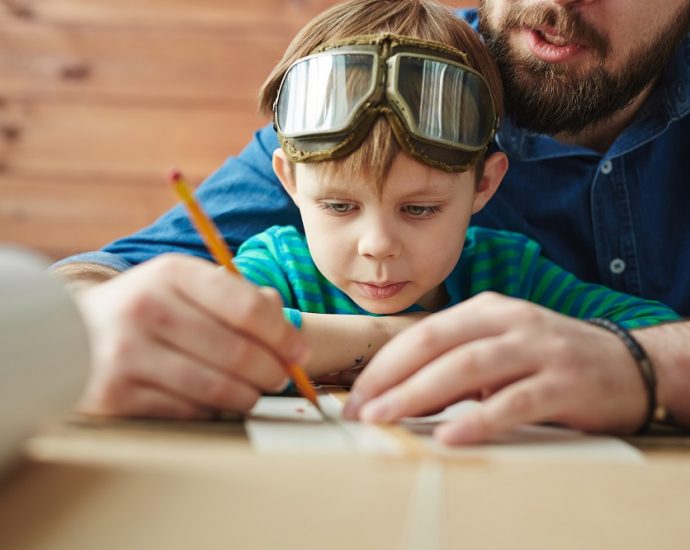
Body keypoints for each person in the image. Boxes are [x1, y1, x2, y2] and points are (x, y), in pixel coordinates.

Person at [53, 0, 690, 441]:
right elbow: (105, 281)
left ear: (484, 184)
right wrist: (87, 327)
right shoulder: (354, 79)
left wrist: (643, 362)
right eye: (338, 207)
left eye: (420, 209)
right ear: (291, 182)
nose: (379, 245)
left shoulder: (508, 269)